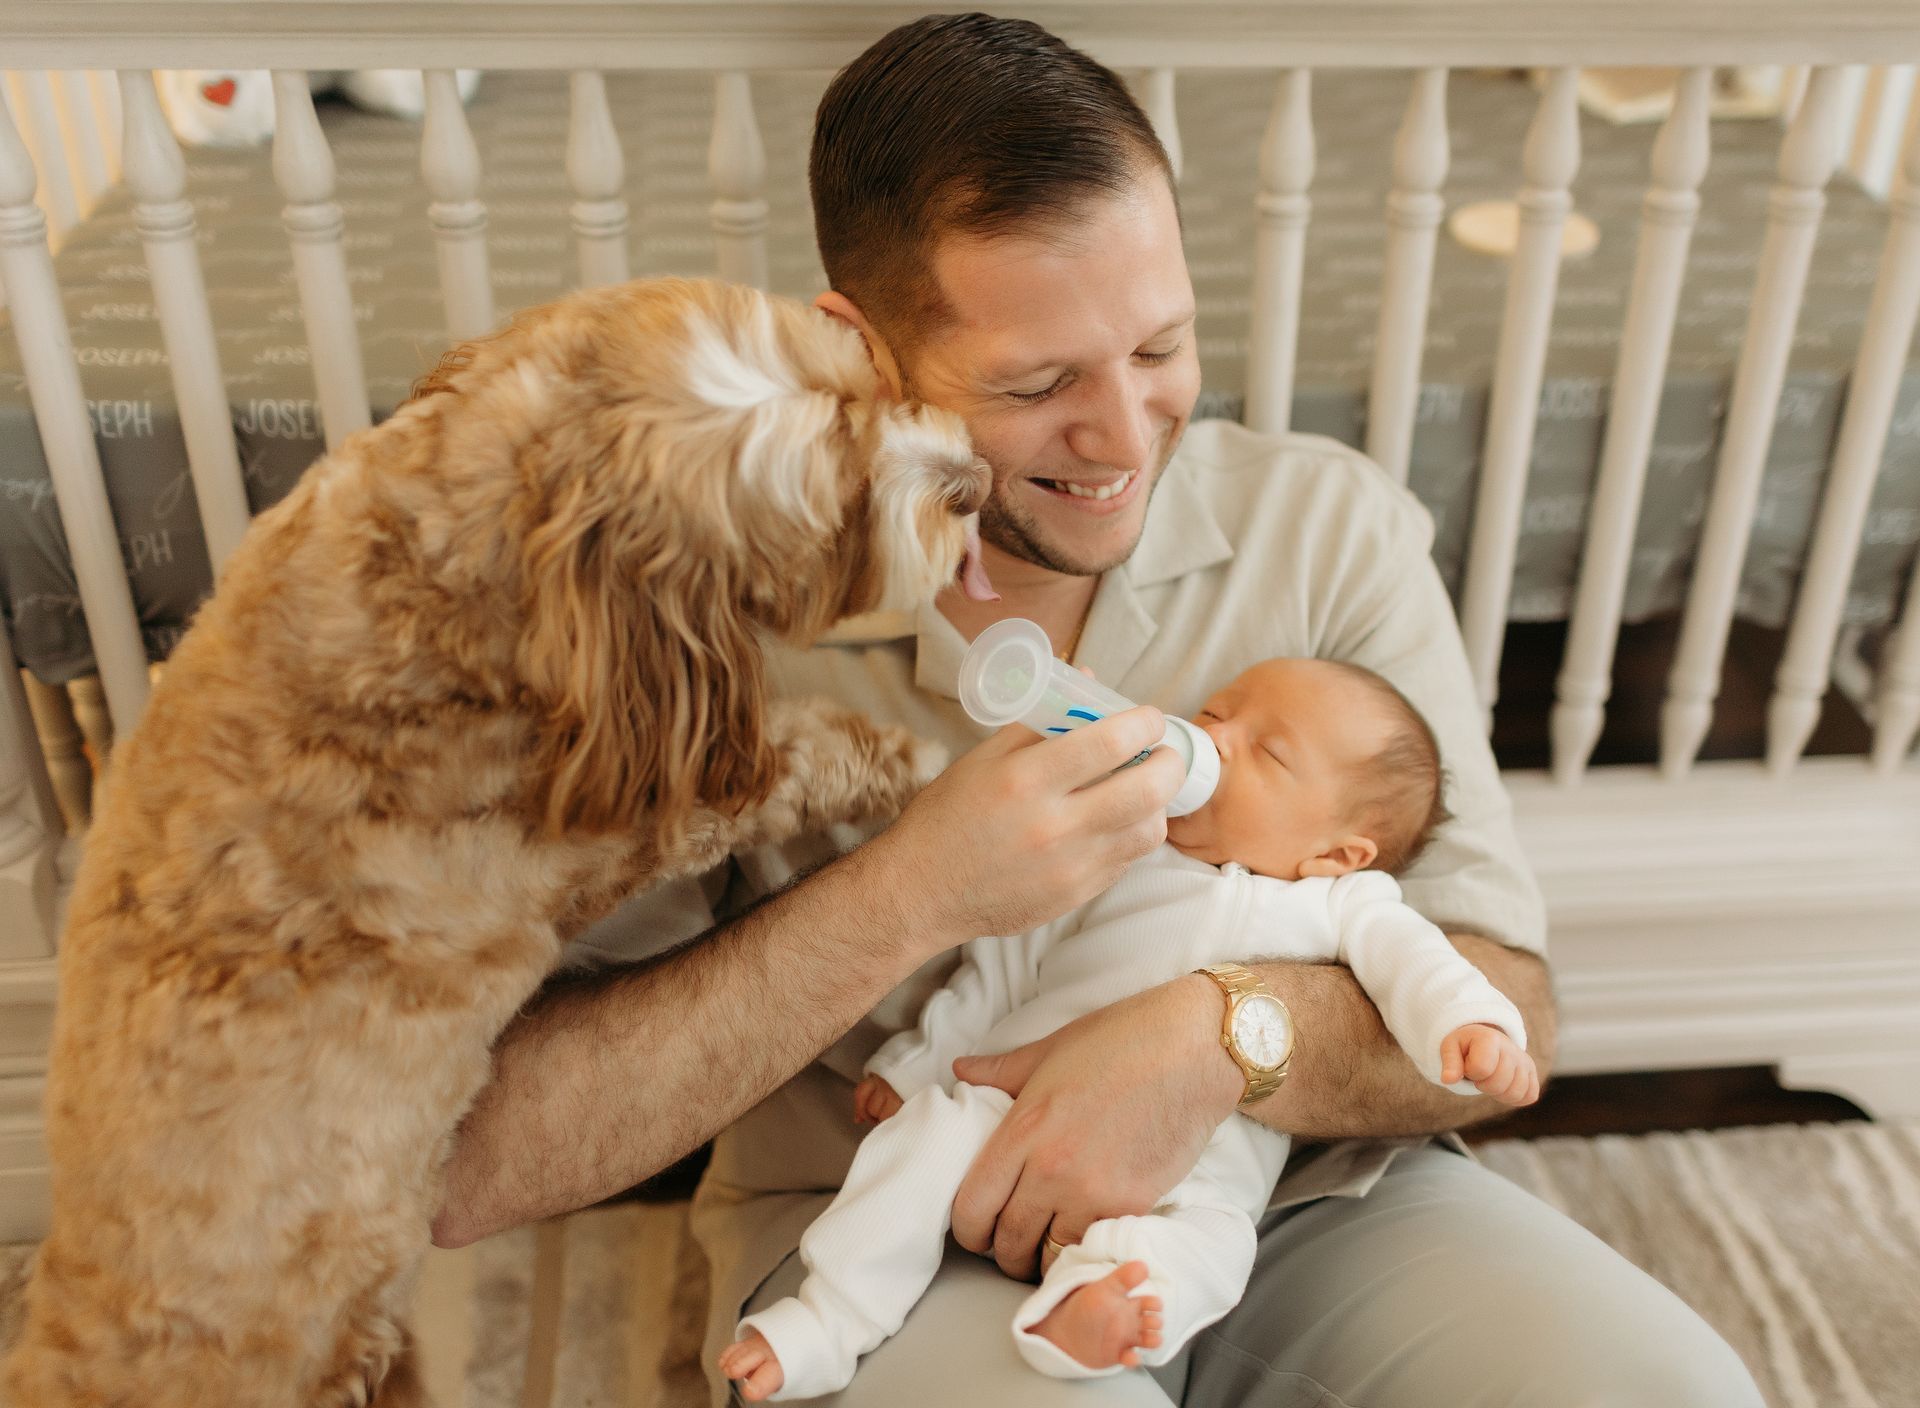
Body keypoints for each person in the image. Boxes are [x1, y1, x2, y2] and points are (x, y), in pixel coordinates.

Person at [432, 14, 1764, 1406]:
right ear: (864, 357)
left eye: (1160, 348)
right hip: (894, 1228)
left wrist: (1221, 1038)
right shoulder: (698, 621)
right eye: (1038, 383)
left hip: (1300, 1195)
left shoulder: (1324, 534)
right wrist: (909, 895)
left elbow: (1513, 1015)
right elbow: (476, 1154)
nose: (1125, 441)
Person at [719, 658, 1539, 1401]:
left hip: (1206, 1168)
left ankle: (1096, 1308)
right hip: (1016, 1109)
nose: (1216, 738)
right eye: (1218, 713)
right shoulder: (1124, 852)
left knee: (1210, 1249)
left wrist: (1468, 1026)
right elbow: (1003, 963)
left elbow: (1419, 969)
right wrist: (917, 1065)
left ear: (1337, 853)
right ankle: (831, 1318)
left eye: (1268, 752)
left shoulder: (1341, 905)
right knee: (922, 1145)